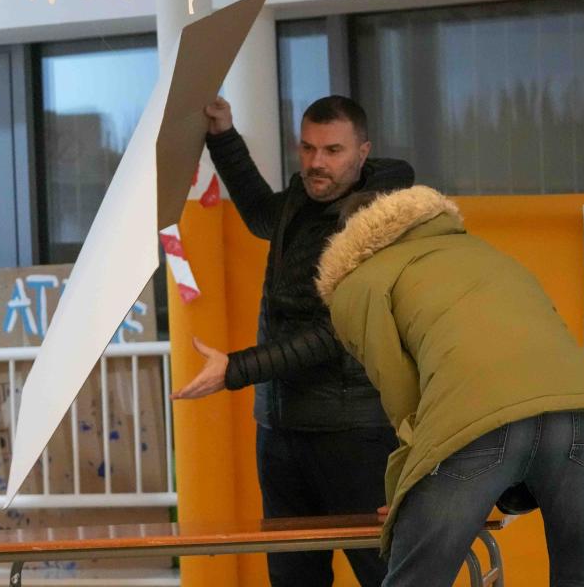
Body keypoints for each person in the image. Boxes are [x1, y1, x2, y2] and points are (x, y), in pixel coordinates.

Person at [315, 186, 584, 587]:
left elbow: (404, 399)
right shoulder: (486, 253)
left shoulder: (359, 282)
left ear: (347, 241)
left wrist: (408, 486)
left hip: (476, 422)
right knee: (579, 580)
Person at [171, 95, 414, 587]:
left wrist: (234, 369)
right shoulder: (302, 200)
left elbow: (337, 333)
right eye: (307, 149)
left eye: (332, 150)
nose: (316, 163)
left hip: (352, 433)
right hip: (281, 431)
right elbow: (263, 214)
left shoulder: (377, 224)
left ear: (363, 153)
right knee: (292, 576)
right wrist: (222, 135)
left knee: (386, 575)